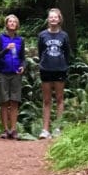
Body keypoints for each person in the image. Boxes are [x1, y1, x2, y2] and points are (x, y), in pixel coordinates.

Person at [37, 8, 71, 139]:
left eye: (55, 17)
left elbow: (67, 53)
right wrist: (43, 63)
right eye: (51, 17)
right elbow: (40, 52)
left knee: (59, 98)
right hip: (45, 69)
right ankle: (45, 130)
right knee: (46, 100)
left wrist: (63, 64)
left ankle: (57, 127)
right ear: (48, 19)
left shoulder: (64, 36)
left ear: (59, 19)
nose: (53, 19)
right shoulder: (42, 35)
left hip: (60, 69)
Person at [0, 14, 25, 139]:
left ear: (17, 25)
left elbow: (23, 58)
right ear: (6, 24)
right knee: (4, 101)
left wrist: (23, 66)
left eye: (14, 22)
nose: (12, 23)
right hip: (2, 73)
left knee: (15, 101)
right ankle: (5, 130)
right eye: (10, 21)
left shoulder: (20, 40)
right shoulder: (0, 38)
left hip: (16, 73)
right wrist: (6, 49)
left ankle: (14, 129)